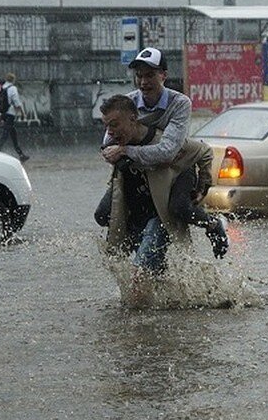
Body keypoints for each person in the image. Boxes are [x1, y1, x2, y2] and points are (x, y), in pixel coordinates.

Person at [101, 47, 228, 257]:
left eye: (150, 75)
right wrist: (110, 152)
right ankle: (142, 241)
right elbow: (108, 141)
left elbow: (168, 151)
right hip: (144, 170)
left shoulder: (179, 103)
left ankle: (214, 224)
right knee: (105, 214)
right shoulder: (128, 102)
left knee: (178, 209)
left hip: (178, 166)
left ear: (164, 76)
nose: (143, 82)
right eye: (139, 76)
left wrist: (125, 150)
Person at [94, 95, 214, 288]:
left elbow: (203, 150)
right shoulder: (116, 147)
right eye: (107, 126)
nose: (110, 132)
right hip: (139, 211)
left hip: (160, 215)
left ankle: (214, 226)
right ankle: (165, 287)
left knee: (139, 278)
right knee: (102, 215)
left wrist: (204, 182)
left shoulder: (164, 145)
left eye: (115, 125)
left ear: (133, 118)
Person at [0, 73, 30, 162]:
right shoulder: (12, 88)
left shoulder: (2, 87)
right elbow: (16, 101)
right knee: (6, 133)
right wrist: (22, 113)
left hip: (4, 113)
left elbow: (0, 101)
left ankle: (21, 154)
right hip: (10, 113)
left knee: (13, 134)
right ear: (13, 80)